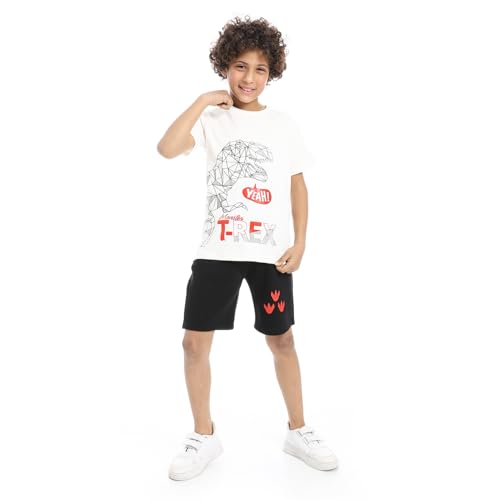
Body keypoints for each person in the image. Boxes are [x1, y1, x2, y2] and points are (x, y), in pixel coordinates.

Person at [157, 15, 338, 481]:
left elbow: (297, 184)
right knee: (194, 342)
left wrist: (301, 241)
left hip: (269, 254)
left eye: (260, 69)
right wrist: (201, 101)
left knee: (283, 339)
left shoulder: (283, 125)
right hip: (217, 250)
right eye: (240, 66)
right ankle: (204, 434)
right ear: (225, 66)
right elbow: (167, 148)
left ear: (272, 72)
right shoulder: (211, 119)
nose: (249, 78)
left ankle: (298, 430)